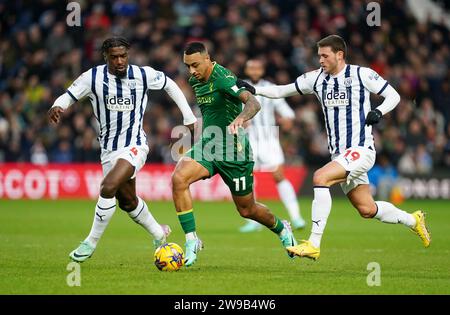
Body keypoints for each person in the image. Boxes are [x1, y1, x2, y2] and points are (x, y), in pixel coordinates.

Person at [237, 35, 431, 260]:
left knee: (320, 177)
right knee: (366, 209)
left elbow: (393, 96)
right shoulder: (316, 79)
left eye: (324, 55)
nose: (320, 60)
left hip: (361, 149)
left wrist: (379, 112)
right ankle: (413, 219)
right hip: (340, 154)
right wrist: (255, 90)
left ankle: (313, 243)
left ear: (340, 55)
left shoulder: (361, 74)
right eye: (319, 55)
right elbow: (282, 91)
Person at [48, 37, 197, 263]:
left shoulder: (143, 75)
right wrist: (57, 105)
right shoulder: (93, 77)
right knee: (128, 202)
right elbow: (69, 95)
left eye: (123, 56)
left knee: (107, 187)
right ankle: (159, 233)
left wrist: (188, 116)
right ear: (105, 57)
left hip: (135, 145)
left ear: (128, 55)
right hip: (108, 150)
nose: (120, 61)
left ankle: (90, 242)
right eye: (114, 57)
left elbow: (170, 84)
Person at [171, 42, 297, 267]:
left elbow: (253, 102)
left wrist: (241, 118)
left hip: (234, 152)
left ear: (208, 59)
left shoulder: (223, 78)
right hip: (209, 146)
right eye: (187, 66)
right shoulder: (195, 81)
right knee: (179, 178)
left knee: (247, 209)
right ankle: (192, 240)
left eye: (195, 65)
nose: (191, 71)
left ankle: (281, 227)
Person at [238, 59, 306, 233]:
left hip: (268, 140)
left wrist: (287, 120)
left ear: (262, 70)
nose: (254, 70)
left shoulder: (269, 87)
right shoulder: (238, 88)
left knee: (278, 175)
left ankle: (296, 217)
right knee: (247, 176)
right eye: (251, 67)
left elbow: (286, 111)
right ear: (247, 69)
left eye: (257, 67)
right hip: (248, 140)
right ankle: (254, 220)